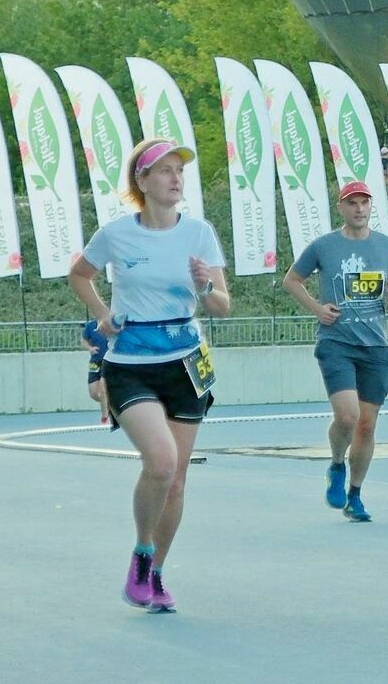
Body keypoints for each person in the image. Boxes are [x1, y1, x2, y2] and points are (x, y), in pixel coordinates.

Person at [69, 137, 230, 613]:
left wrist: (205, 287)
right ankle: (141, 554)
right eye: (164, 170)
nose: (175, 178)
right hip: (131, 364)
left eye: (179, 169)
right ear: (142, 181)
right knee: (159, 463)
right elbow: (79, 274)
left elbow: (222, 305)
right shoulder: (116, 235)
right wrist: (101, 313)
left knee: (177, 479)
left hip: (185, 363)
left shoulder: (199, 233)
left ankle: (156, 573)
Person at [282, 180, 388, 521]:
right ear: (341, 208)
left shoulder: (387, 247)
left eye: (364, 203)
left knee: (366, 426)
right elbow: (291, 280)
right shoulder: (324, 246)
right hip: (336, 341)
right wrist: (317, 308)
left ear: (371, 208)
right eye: (352, 203)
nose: (359, 209)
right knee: (348, 416)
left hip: (375, 346)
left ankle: (355, 494)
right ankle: (337, 464)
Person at [81, 319, 110, 424]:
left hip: (108, 361)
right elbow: (83, 341)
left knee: (103, 388)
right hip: (95, 361)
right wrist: (90, 348)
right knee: (94, 393)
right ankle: (109, 404)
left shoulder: (110, 323)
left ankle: (105, 416)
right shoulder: (90, 325)